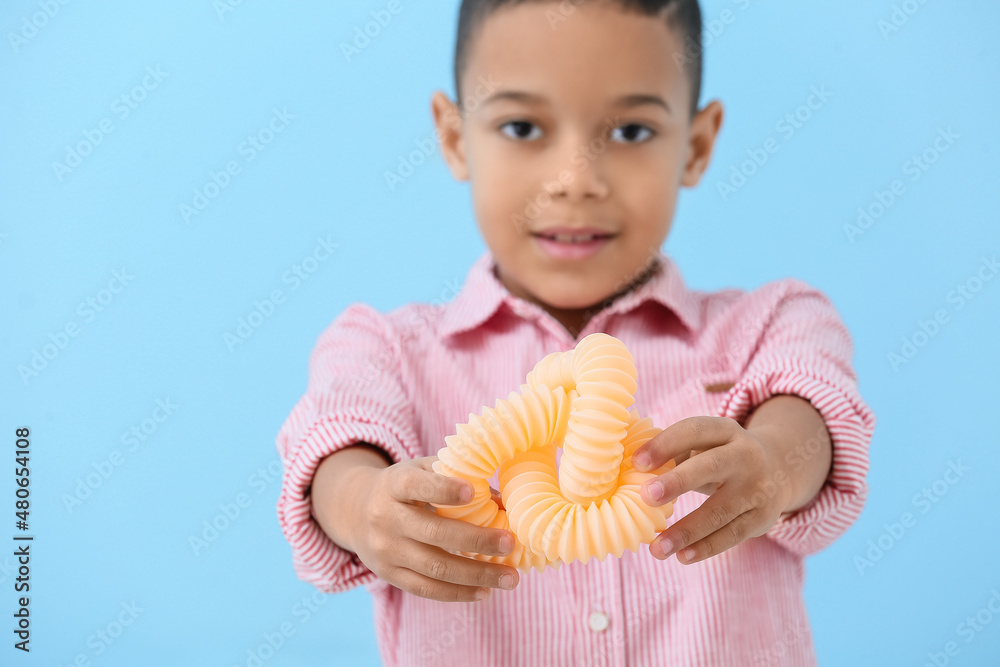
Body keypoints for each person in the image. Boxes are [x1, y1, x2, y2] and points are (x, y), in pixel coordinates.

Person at [275, 1, 876, 664]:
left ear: (697, 145)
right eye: (523, 125)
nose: (575, 181)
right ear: (453, 137)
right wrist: (365, 508)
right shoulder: (385, 349)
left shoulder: (772, 322)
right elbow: (336, 444)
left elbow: (811, 405)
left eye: (631, 133)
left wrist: (771, 461)